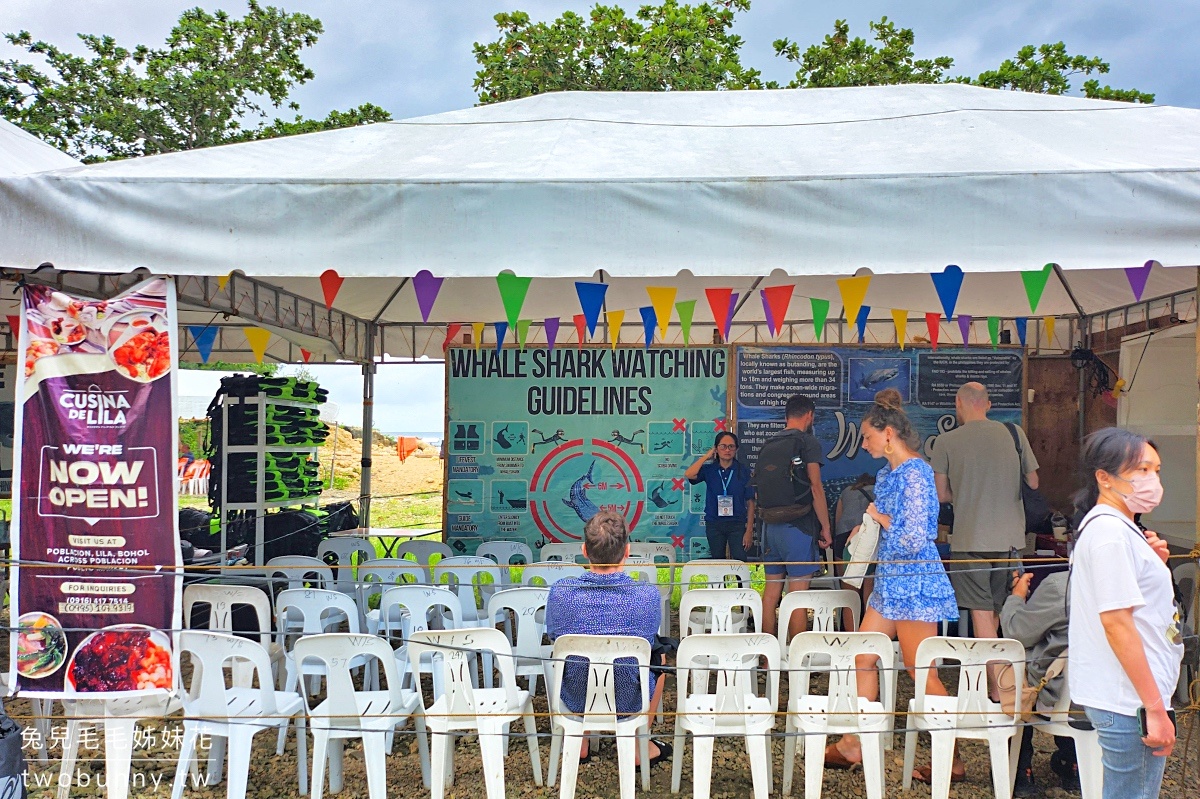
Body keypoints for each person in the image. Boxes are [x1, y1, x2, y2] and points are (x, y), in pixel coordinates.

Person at [824, 389, 961, 781]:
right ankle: (855, 744)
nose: (862, 443)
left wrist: (879, 520)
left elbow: (918, 535)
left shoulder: (917, 473)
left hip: (915, 585)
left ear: (888, 434)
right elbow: (890, 522)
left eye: (867, 435)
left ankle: (950, 759)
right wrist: (866, 525)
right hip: (889, 585)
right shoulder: (889, 473)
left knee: (922, 672)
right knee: (862, 657)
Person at [1068, 428, 1181, 799]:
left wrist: (1154, 562)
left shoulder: (1120, 529)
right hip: (1128, 700)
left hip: (1129, 696)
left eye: (1156, 470)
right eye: (1141, 470)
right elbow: (1117, 624)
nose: (1152, 480)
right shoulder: (1110, 535)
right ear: (1104, 477)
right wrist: (1154, 707)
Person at [544, 511, 672, 767]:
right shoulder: (646, 595)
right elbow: (648, 641)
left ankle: (579, 739)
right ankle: (639, 745)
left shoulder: (560, 593)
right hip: (629, 698)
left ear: (584, 549)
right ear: (627, 551)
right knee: (661, 658)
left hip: (576, 695)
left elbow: (553, 635)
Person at [931, 382, 1039, 658]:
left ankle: (996, 687)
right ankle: (1000, 679)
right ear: (988, 404)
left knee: (980, 611)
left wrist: (965, 490)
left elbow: (941, 494)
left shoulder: (945, 442)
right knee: (1000, 607)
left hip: (970, 539)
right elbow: (1034, 482)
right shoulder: (1015, 433)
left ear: (958, 403)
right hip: (1011, 538)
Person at [754, 393, 832, 637]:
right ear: (809, 415)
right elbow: (815, 486)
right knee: (797, 596)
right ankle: (797, 659)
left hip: (770, 528)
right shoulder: (807, 442)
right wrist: (825, 527)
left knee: (771, 593)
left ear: (787, 415)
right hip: (797, 526)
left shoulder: (768, 444)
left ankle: (767, 659)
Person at [1001, 570, 1080, 796]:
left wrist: (1016, 596)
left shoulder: (1061, 585)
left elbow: (1016, 631)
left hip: (1054, 698)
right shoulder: (1144, 582)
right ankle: (1073, 763)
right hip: (1114, 703)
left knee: (1016, 661)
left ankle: (1021, 771)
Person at [685, 431, 756, 560]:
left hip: (737, 524)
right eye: (723, 446)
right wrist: (706, 456)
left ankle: (741, 581)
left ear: (736, 449)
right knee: (718, 561)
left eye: (731, 446)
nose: (727, 450)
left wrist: (749, 531)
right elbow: (689, 474)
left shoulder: (743, 471)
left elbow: (750, 503)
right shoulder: (710, 470)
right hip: (714, 524)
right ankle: (720, 582)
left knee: (740, 560)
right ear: (716, 449)